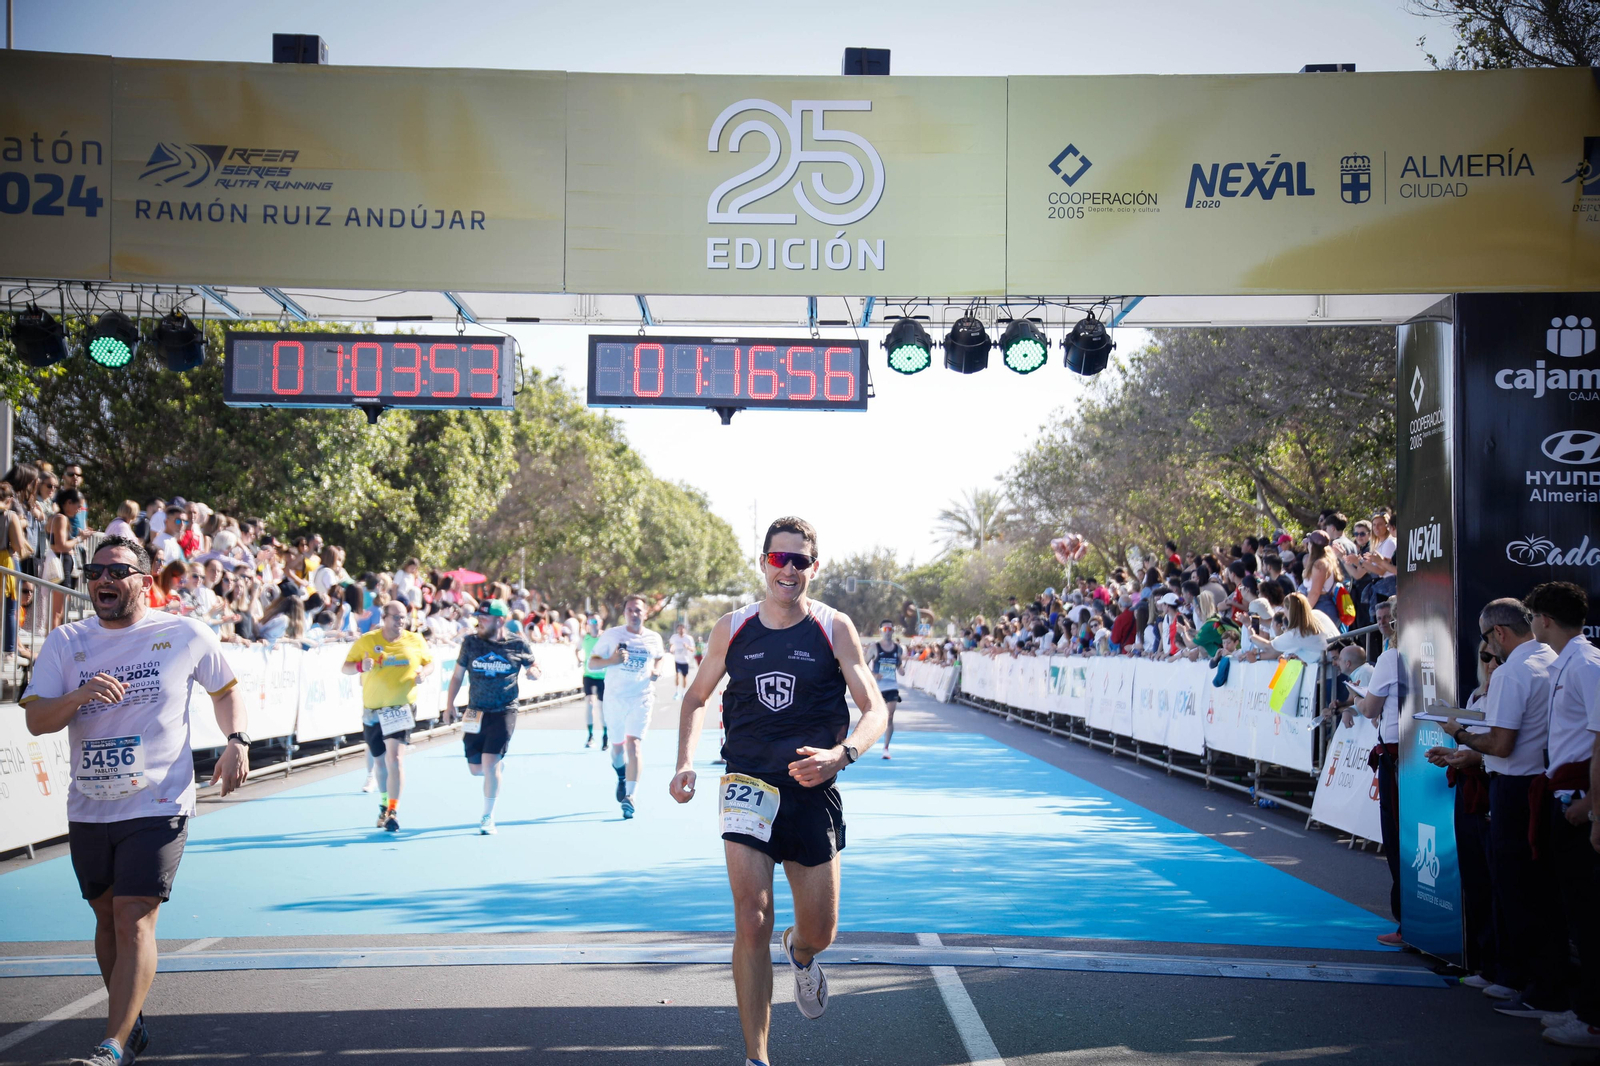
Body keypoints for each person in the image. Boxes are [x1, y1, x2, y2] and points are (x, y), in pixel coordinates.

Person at [21, 537, 249, 1066]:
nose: (102, 579)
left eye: (117, 571)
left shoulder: (184, 632)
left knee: (133, 918)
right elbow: (36, 721)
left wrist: (237, 742)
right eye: (95, 571)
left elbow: (226, 690)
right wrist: (77, 696)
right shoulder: (65, 640)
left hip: (159, 802)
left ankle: (112, 1045)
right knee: (105, 919)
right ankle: (131, 1016)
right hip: (91, 804)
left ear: (145, 582)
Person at [669, 517, 888, 1066]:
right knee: (751, 915)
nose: (788, 570)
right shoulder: (732, 628)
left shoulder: (835, 628)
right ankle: (756, 1057)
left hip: (812, 789)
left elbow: (874, 709)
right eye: (778, 559)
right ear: (763, 562)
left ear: (814, 567)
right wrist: (684, 762)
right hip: (747, 783)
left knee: (822, 931)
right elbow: (695, 699)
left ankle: (801, 952)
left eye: (800, 561)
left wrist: (843, 755)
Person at [1437, 597, 1563, 1017]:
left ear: (1499, 634)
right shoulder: (1554, 660)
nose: (1490, 651)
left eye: (1489, 641)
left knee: (1517, 891)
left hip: (1514, 788)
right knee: (1537, 890)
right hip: (1544, 786)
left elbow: (1499, 743)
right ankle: (1526, 980)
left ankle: (1534, 986)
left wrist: (1459, 731)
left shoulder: (1514, 672)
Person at [1519, 583, 1600, 1048]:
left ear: (1544, 619)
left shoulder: (1587, 664)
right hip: (1561, 797)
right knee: (1575, 912)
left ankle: (1593, 1019)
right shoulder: (1567, 662)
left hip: (1579, 803)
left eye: (1532, 616)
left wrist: (1590, 806)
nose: (1531, 624)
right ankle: (1585, 1007)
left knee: (1588, 916)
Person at [446, 599, 540, 835]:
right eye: (478, 617)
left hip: (504, 710)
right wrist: (449, 705)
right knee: (475, 768)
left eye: (484, 618)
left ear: (500, 620)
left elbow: (534, 664)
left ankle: (488, 816)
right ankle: (496, 768)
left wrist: (533, 672)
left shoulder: (517, 644)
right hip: (475, 711)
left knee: (489, 765)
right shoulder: (470, 643)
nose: (479, 621)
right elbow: (457, 676)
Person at [341, 600, 435, 832]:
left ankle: (393, 809)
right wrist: (361, 667)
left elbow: (430, 663)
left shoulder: (415, 639)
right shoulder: (368, 640)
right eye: (396, 617)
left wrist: (424, 673)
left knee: (396, 759)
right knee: (380, 761)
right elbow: (345, 668)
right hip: (373, 709)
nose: (401, 622)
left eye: (404, 617)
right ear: (384, 618)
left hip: (400, 708)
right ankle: (384, 804)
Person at [587, 595, 666, 819]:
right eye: (630, 610)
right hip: (615, 699)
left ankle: (630, 797)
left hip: (641, 697)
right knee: (618, 749)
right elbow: (592, 663)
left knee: (635, 745)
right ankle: (621, 776)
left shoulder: (654, 638)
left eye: (638, 610)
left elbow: (659, 657)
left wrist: (657, 670)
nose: (634, 614)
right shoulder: (612, 636)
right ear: (624, 614)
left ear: (645, 613)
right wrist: (612, 660)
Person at [1357, 596, 1404, 945]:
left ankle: (1407, 922)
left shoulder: (1392, 657)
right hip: (1420, 750)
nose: (1384, 624)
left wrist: (1358, 701)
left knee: (1397, 838)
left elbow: (1371, 706)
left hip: (1397, 755)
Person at [866, 619, 904, 758]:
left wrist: (901, 669)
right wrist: (874, 674)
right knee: (874, 716)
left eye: (890, 629)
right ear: (881, 631)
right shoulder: (874, 647)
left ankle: (886, 748)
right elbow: (863, 665)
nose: (888, 632)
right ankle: (867, 741)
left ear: (893, 631)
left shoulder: (898, 648)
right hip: (877, 688)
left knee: (890, 716)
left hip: (892, 686)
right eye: (885, 630)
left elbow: (899, 665)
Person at [578, 617, 607, 749]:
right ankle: (590, 736)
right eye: (591, 622)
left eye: (596, 621)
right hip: (589, 674)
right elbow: (577, 649)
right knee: (589, 704)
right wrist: (579, 659)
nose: (593, 624)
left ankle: (605, 736)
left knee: (601, 707)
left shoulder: (606, 637)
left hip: (603, 676)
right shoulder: (585, 638)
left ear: (600, 623)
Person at [669, 622, 697, 697]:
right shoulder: (674, 637)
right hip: (677, 659)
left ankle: (684, 692)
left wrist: (687, 646)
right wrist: (672, 649)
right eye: (679, 628)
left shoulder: (688, 638)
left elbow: (693, 649)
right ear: (677, 629)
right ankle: (677, 691)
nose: (681, 630)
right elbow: (672, 645)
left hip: (685, 660)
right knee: (677, 675)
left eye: (682, 628)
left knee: (684, 677)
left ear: (685, 629)